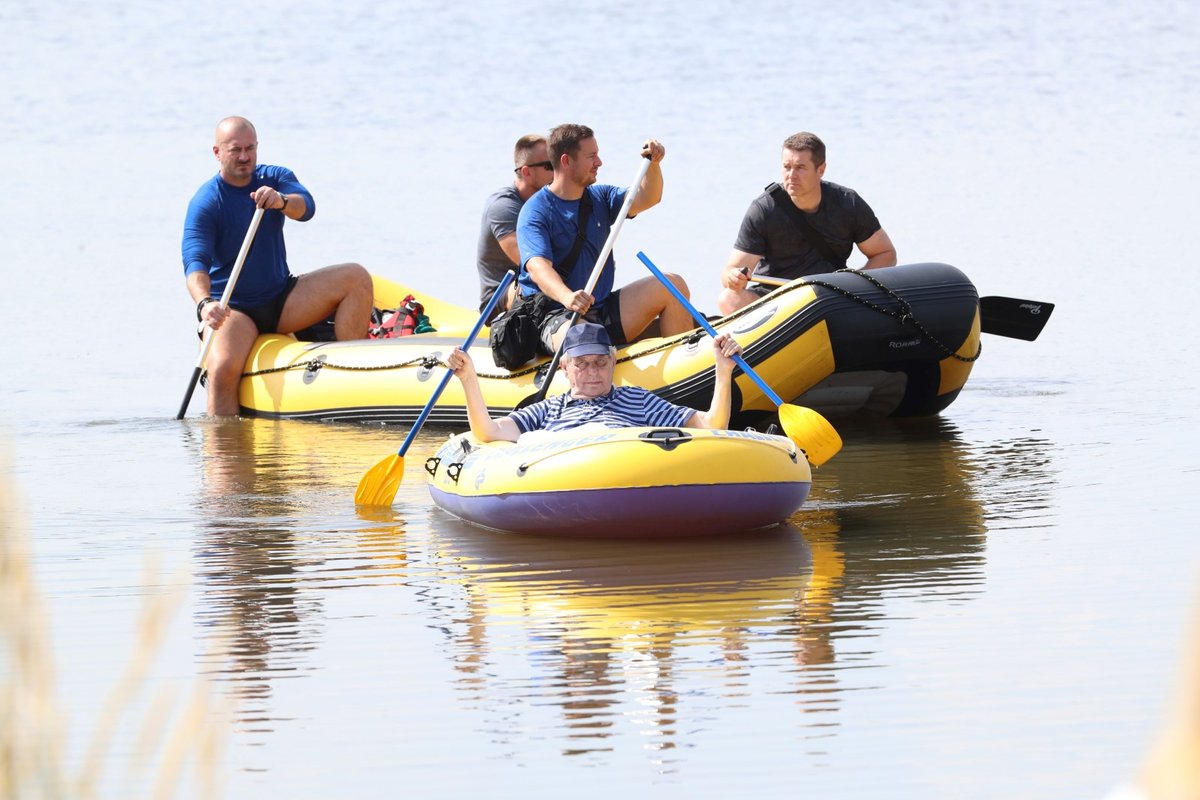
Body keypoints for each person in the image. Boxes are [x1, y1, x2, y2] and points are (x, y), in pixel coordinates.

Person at [182, 116, 374, 417]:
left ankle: (358, 379)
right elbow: (194, 264)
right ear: (217, 152)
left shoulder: (274, 177)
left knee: (356, 277)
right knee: (221, 370)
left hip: (282, 298)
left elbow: (306, 207)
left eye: (250, 148)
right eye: (235, 150)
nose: (245, 157)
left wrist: (282, 201)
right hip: (235, 309)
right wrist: (205, 305)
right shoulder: (206, 201)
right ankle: (223, 454)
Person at [515, 123, 694, 355]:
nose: (599, 162)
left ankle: (683, 365)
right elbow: (538, 268)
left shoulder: (600, 196)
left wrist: (654, 165)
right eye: (591, 156)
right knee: (587, 338)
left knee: (673, 286)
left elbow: (648, 197)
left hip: (599, 308)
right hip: (554, 315)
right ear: (566, 161)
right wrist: (567, 297)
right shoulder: (535, 211)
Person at [446, 322, 742, 442]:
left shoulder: (637, 399)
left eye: (601, 362)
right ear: (564, 367)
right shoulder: (547, 410)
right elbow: (489, 432)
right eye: (582, 364)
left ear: (613, 363)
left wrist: (723, 370)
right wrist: (469, 380)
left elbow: (711, 427)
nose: (593, 372)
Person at [717, 131, 898, 315]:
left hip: (830, 294)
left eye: (800, 167)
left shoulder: (847, 203)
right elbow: (730, 270)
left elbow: (885, 253)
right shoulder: (764, 209)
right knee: (728, 299)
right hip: (775, 299)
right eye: (787, 167)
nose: (791, 175)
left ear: (821, 169)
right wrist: (733, 278)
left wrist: (852, 284)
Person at [476, 133, 555, 322]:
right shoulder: (503, 206)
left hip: (542, 284)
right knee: (542, 280)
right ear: (526, 172)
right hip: (500, 298)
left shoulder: (550, 201)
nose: (558, 171)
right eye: (550, 166)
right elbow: (528, 261)